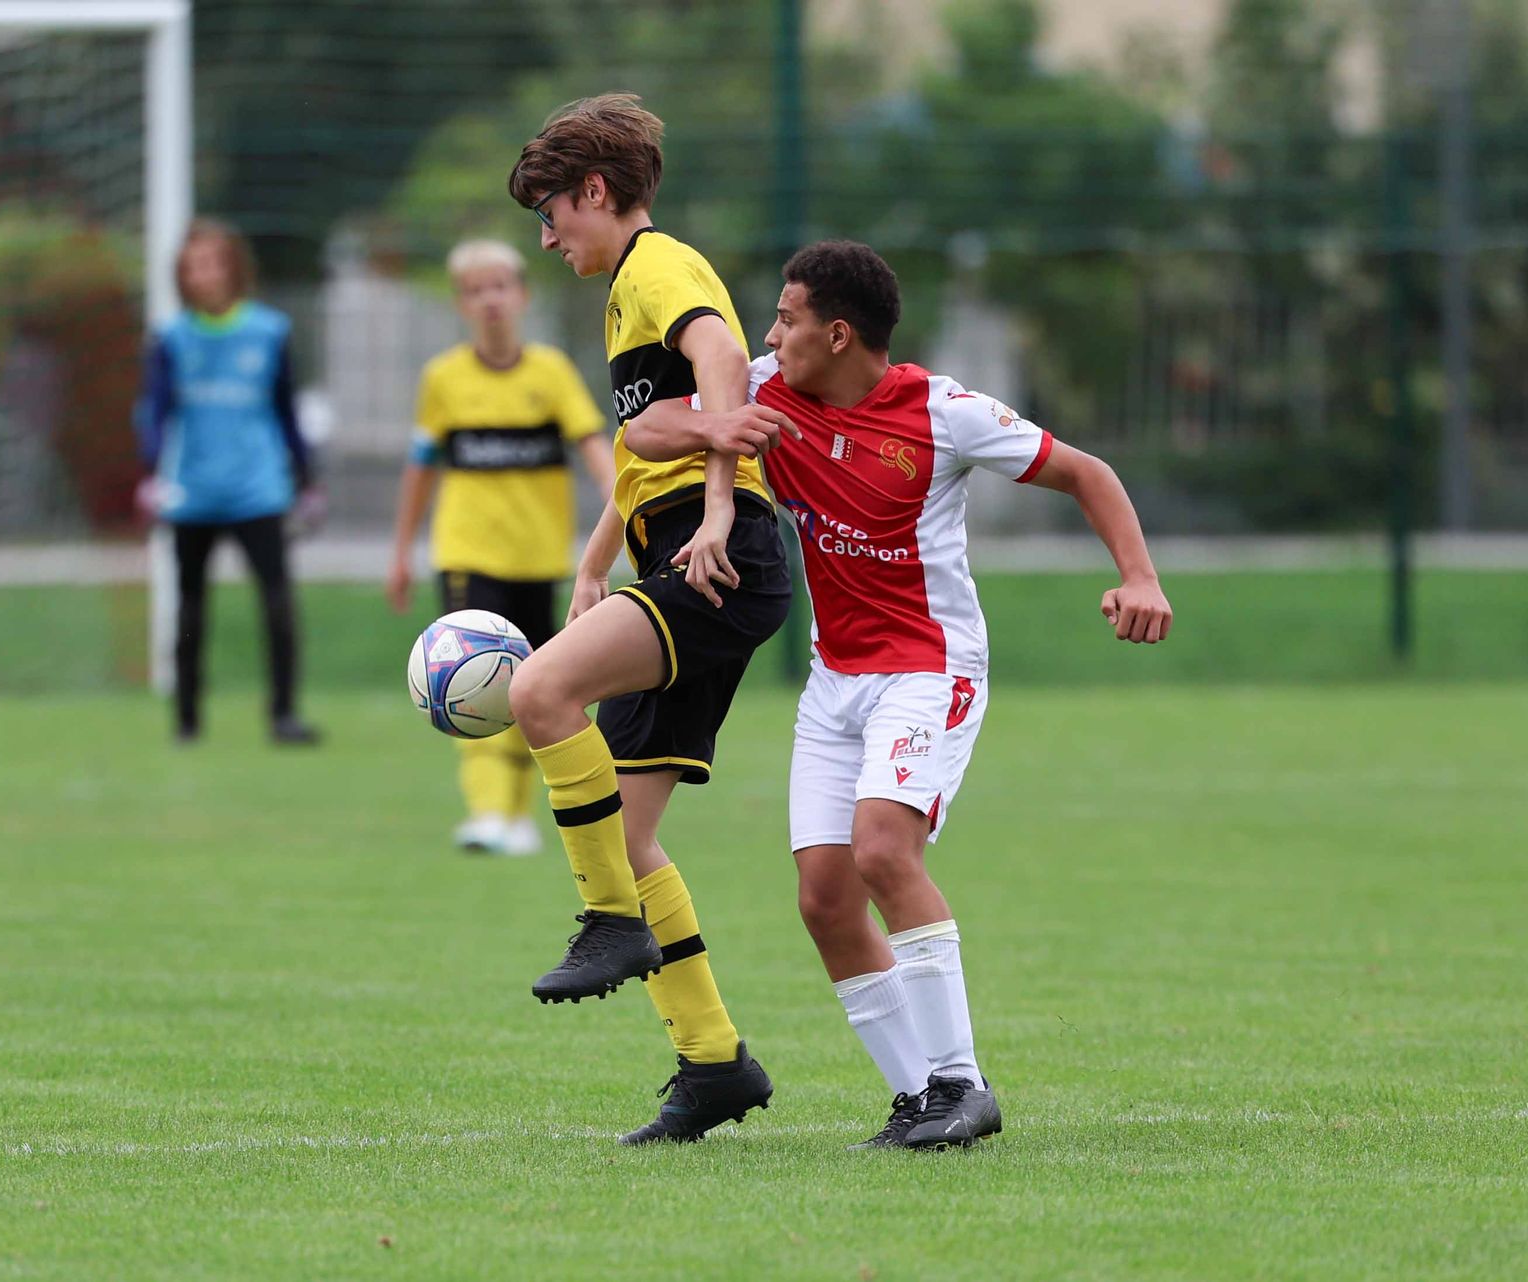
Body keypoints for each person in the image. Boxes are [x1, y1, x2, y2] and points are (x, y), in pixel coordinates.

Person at [625, 240, 1172, 1150]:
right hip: (835, 679)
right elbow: (644, 431)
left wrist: (1139, 577)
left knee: (883, 851)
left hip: (929, 667)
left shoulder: (943, 411)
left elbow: (1087, 472)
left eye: (788, 319)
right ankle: (919, 1098)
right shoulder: (764, 390)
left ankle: (961, 1082)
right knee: (823, 899)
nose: (771, 336)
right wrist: (715, 431)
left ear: (838, 334)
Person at [503, 94, 791, 1143]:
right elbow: (649, 447)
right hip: (689, 550)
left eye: (552, 214)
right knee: (628, 833)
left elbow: (724, 375)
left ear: (595, 191)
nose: (548, 239)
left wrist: (714, 509)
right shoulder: (630, 285)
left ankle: (608, 922)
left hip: (718, 558)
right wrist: (594, 565)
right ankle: (714, 1064)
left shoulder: (659, 268)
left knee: (539, 689)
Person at [386, 238, 615, 856]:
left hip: (539, 560)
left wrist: (621, 495)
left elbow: (593, 444)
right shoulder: (443, 379)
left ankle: (515, 816)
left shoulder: (551, 373)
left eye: (500, 287)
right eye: (475, 291)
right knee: (469, 679)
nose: (490, 300)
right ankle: (487, 810)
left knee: (528, 685)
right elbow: (421, 469)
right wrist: (401, 552)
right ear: (461, 304)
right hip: (468, 556)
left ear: (522, 295)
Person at [135, 218, 320, 746]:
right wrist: (150, 474)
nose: (206, 275)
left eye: (214, 263)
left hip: (258, 489)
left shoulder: (269, 332)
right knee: (190, 607)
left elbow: (286, 412)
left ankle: (283, 715)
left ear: (234, 269)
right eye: (194, 266)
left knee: (277, 603)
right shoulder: (171, 338)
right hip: (193, 491)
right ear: (182, 276)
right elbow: (155, 412)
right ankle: (187, 719)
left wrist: (307, 480)